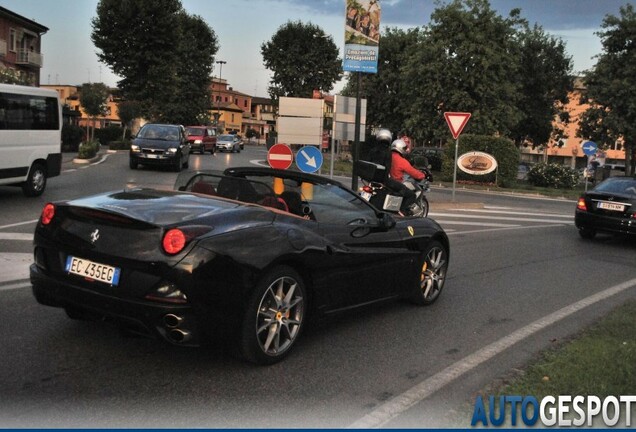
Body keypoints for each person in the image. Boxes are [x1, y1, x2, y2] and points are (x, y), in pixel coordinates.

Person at [389, 138, 427, 214]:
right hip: (396, 184)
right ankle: (401, 211)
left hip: (386, 182)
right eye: (404, 148)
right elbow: (412, 172)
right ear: (400, 148)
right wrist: (422, 175)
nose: (405, 150)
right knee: (411, 195)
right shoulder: (401, 160)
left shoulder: (388, 156)